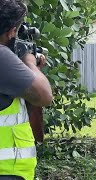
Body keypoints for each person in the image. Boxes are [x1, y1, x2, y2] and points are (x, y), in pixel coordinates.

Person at [0, 0, 53, 179]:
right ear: (11, 31)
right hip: (7, 171)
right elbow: (44, 96)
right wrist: (30, 62)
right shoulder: (1, 57)